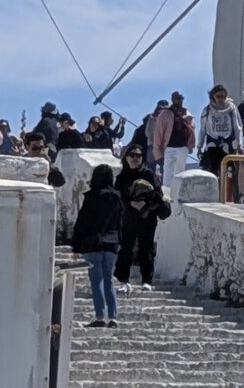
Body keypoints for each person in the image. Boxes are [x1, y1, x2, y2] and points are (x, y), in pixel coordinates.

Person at [71, 163, 123, 328]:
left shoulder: (91, 197)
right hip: (112, 243)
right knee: (109, 280)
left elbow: (82, 223)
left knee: (96, 280)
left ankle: (100, 316)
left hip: (92, 243)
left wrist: (76, 246)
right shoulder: (117, 197)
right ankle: (113, 317)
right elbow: (121, 222)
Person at [115, 145, 166, 290]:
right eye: (132, 155)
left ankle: (147, 281)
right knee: (126, 248)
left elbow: (158, 195)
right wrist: (130, 203)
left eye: (138, 156)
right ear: (126, 157)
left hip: (147, 216)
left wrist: (144, 203)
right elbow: (117, 196)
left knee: (146, 248)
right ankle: (123, 280)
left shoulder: (149, 175)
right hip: (128, 217)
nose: (135, 158)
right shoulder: (121, 177)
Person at [197, 84, 243, 179]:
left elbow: (237, 127)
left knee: (229, 174)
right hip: (212, 145)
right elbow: (202, 130)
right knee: (211, 173)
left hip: (228, 144)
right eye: (218, 96)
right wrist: (199, 146)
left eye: (223, 96)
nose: (221, 99)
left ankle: (228, 193)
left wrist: (240, 144)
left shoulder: (232, 108)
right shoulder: (207, 110)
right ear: (213, 96)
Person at [153, 92, 195, 187]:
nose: (179, 100)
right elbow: (158, 133)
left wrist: (191, 145)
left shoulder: (187, 114)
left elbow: (192, 130)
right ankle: (167, 195)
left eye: (181, 98)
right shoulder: (165, 114)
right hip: (169, 147)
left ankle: (177, 195)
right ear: (172, 99)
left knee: (180, 173)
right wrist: (158, 153)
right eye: (177, 98)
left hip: (183, 148)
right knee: (168, 172)